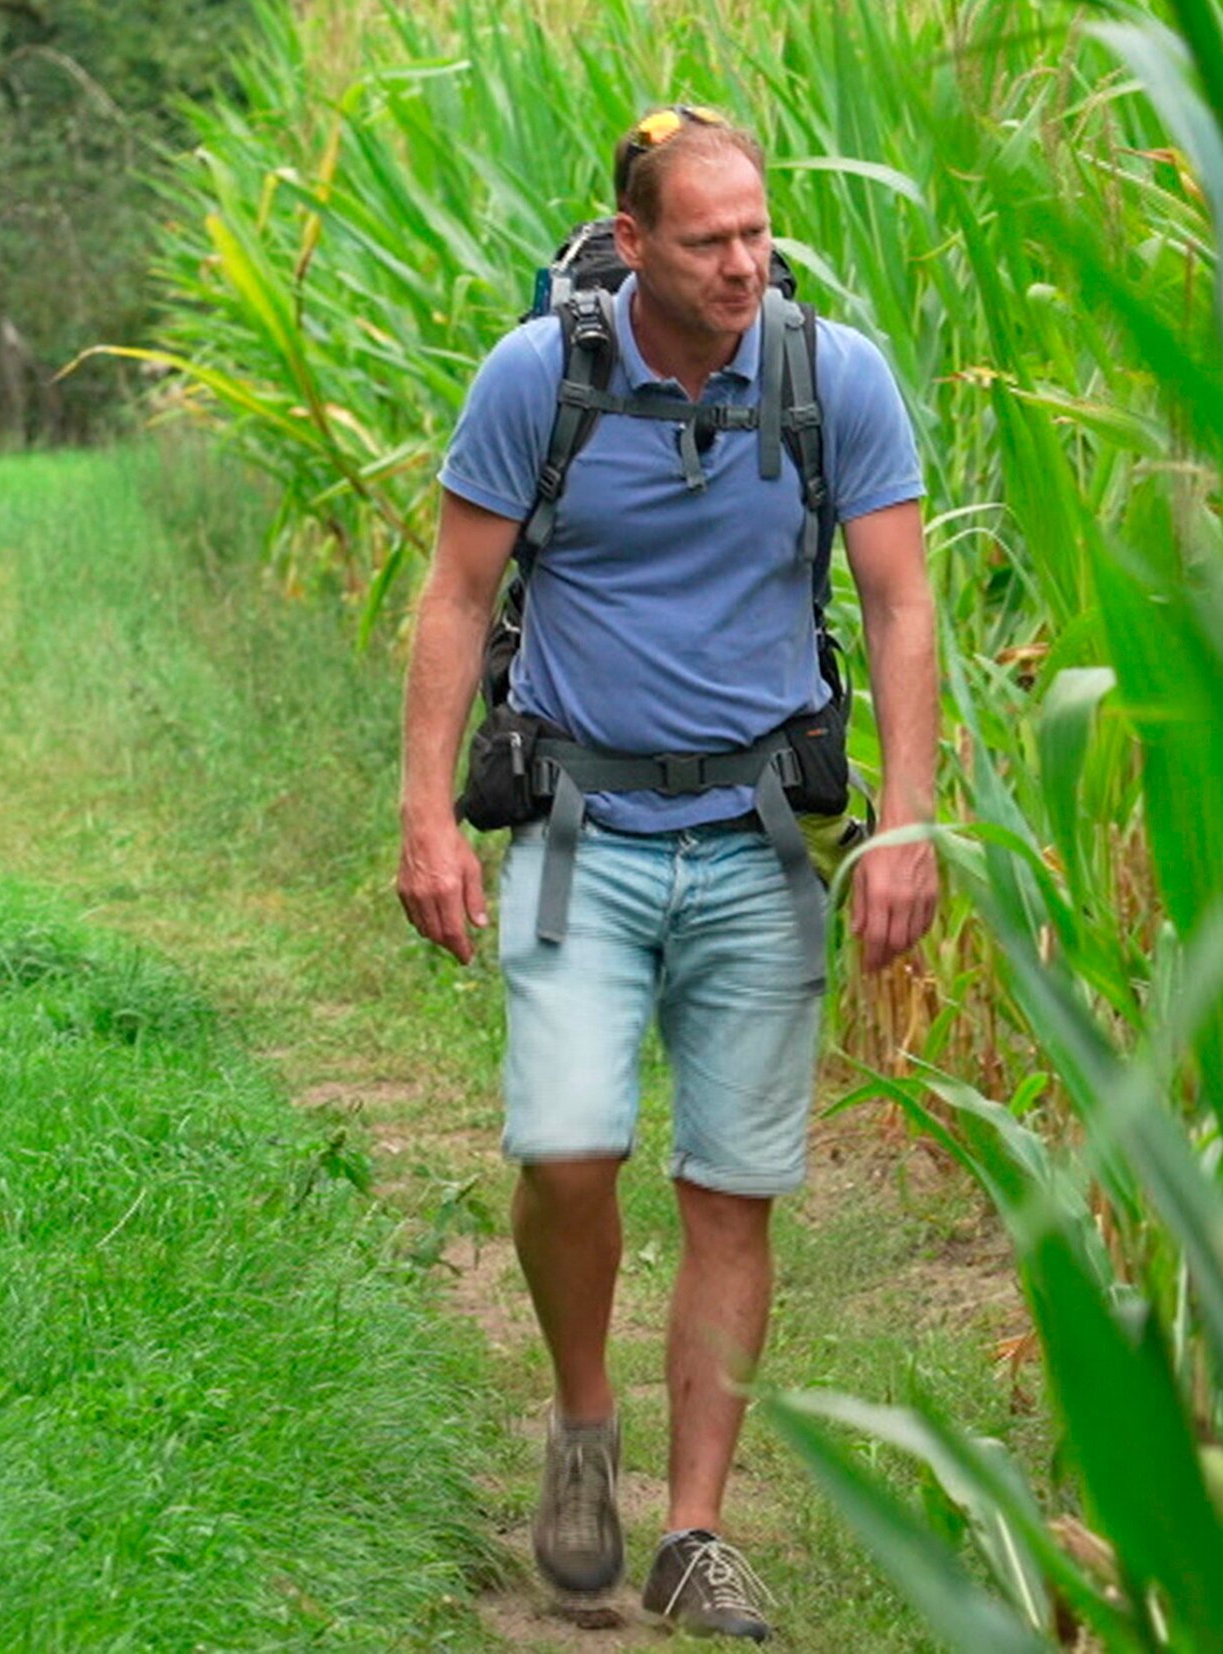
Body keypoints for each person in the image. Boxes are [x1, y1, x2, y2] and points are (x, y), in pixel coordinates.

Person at [394, 105, 939, 1642]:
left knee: (731, 1192)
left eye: (759, 233)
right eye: (708, 240)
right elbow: (456, 594)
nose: (743, 264)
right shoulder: (538, 379)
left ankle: (696, 1533)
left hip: (763, 848)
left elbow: (899, 604)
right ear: (631, 242)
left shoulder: (834, 379)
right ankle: (582, 1426)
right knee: (568, 1150)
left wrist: (907, 817)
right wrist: (428, 816)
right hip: (578, 841)